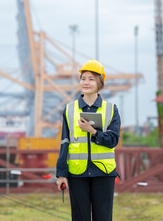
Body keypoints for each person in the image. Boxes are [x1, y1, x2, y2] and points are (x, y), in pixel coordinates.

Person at [56, 59, 121, 221]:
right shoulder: (69, 109)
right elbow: (65, 142)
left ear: (100, 83)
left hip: (104, 173)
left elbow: (113, 140)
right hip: (77, 173)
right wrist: (61, 174)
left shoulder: (111, 109)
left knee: (103, 218)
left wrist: (93, 132)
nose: (86, 82)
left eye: (91, 79)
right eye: (83, 78)